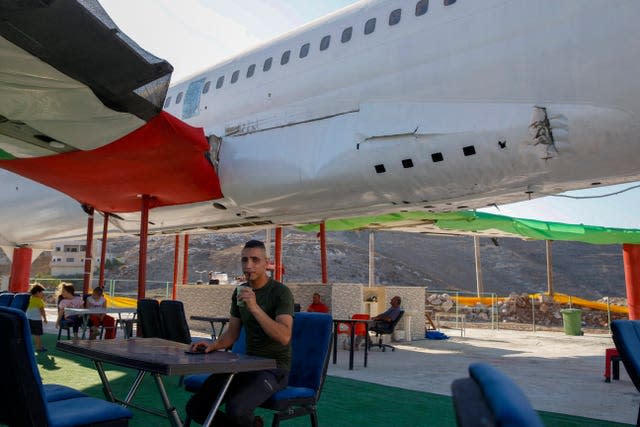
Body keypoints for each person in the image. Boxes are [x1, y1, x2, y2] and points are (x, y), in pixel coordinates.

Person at [186, 240, 294, 427]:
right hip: (246, 365)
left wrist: (254, 307)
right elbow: (232, 334)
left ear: (266, 263)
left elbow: (284, 337)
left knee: (237, 409)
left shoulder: (281, 292)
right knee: (196, 406)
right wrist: (213, 345)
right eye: (245, 260)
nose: (248, 265)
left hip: (275, 369)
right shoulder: (240, 292)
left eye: (255, 260)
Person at [26, 284, 48, 352]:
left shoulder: (29, 299)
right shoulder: (39, 300)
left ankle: (28, 347)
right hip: (36, 320)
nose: (43, 294)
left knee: (28, 333)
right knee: (37, 335)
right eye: (42, 293)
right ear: (38, 292)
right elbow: (42, 311)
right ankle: (39, 347)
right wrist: (45, 318)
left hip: (28, 319)